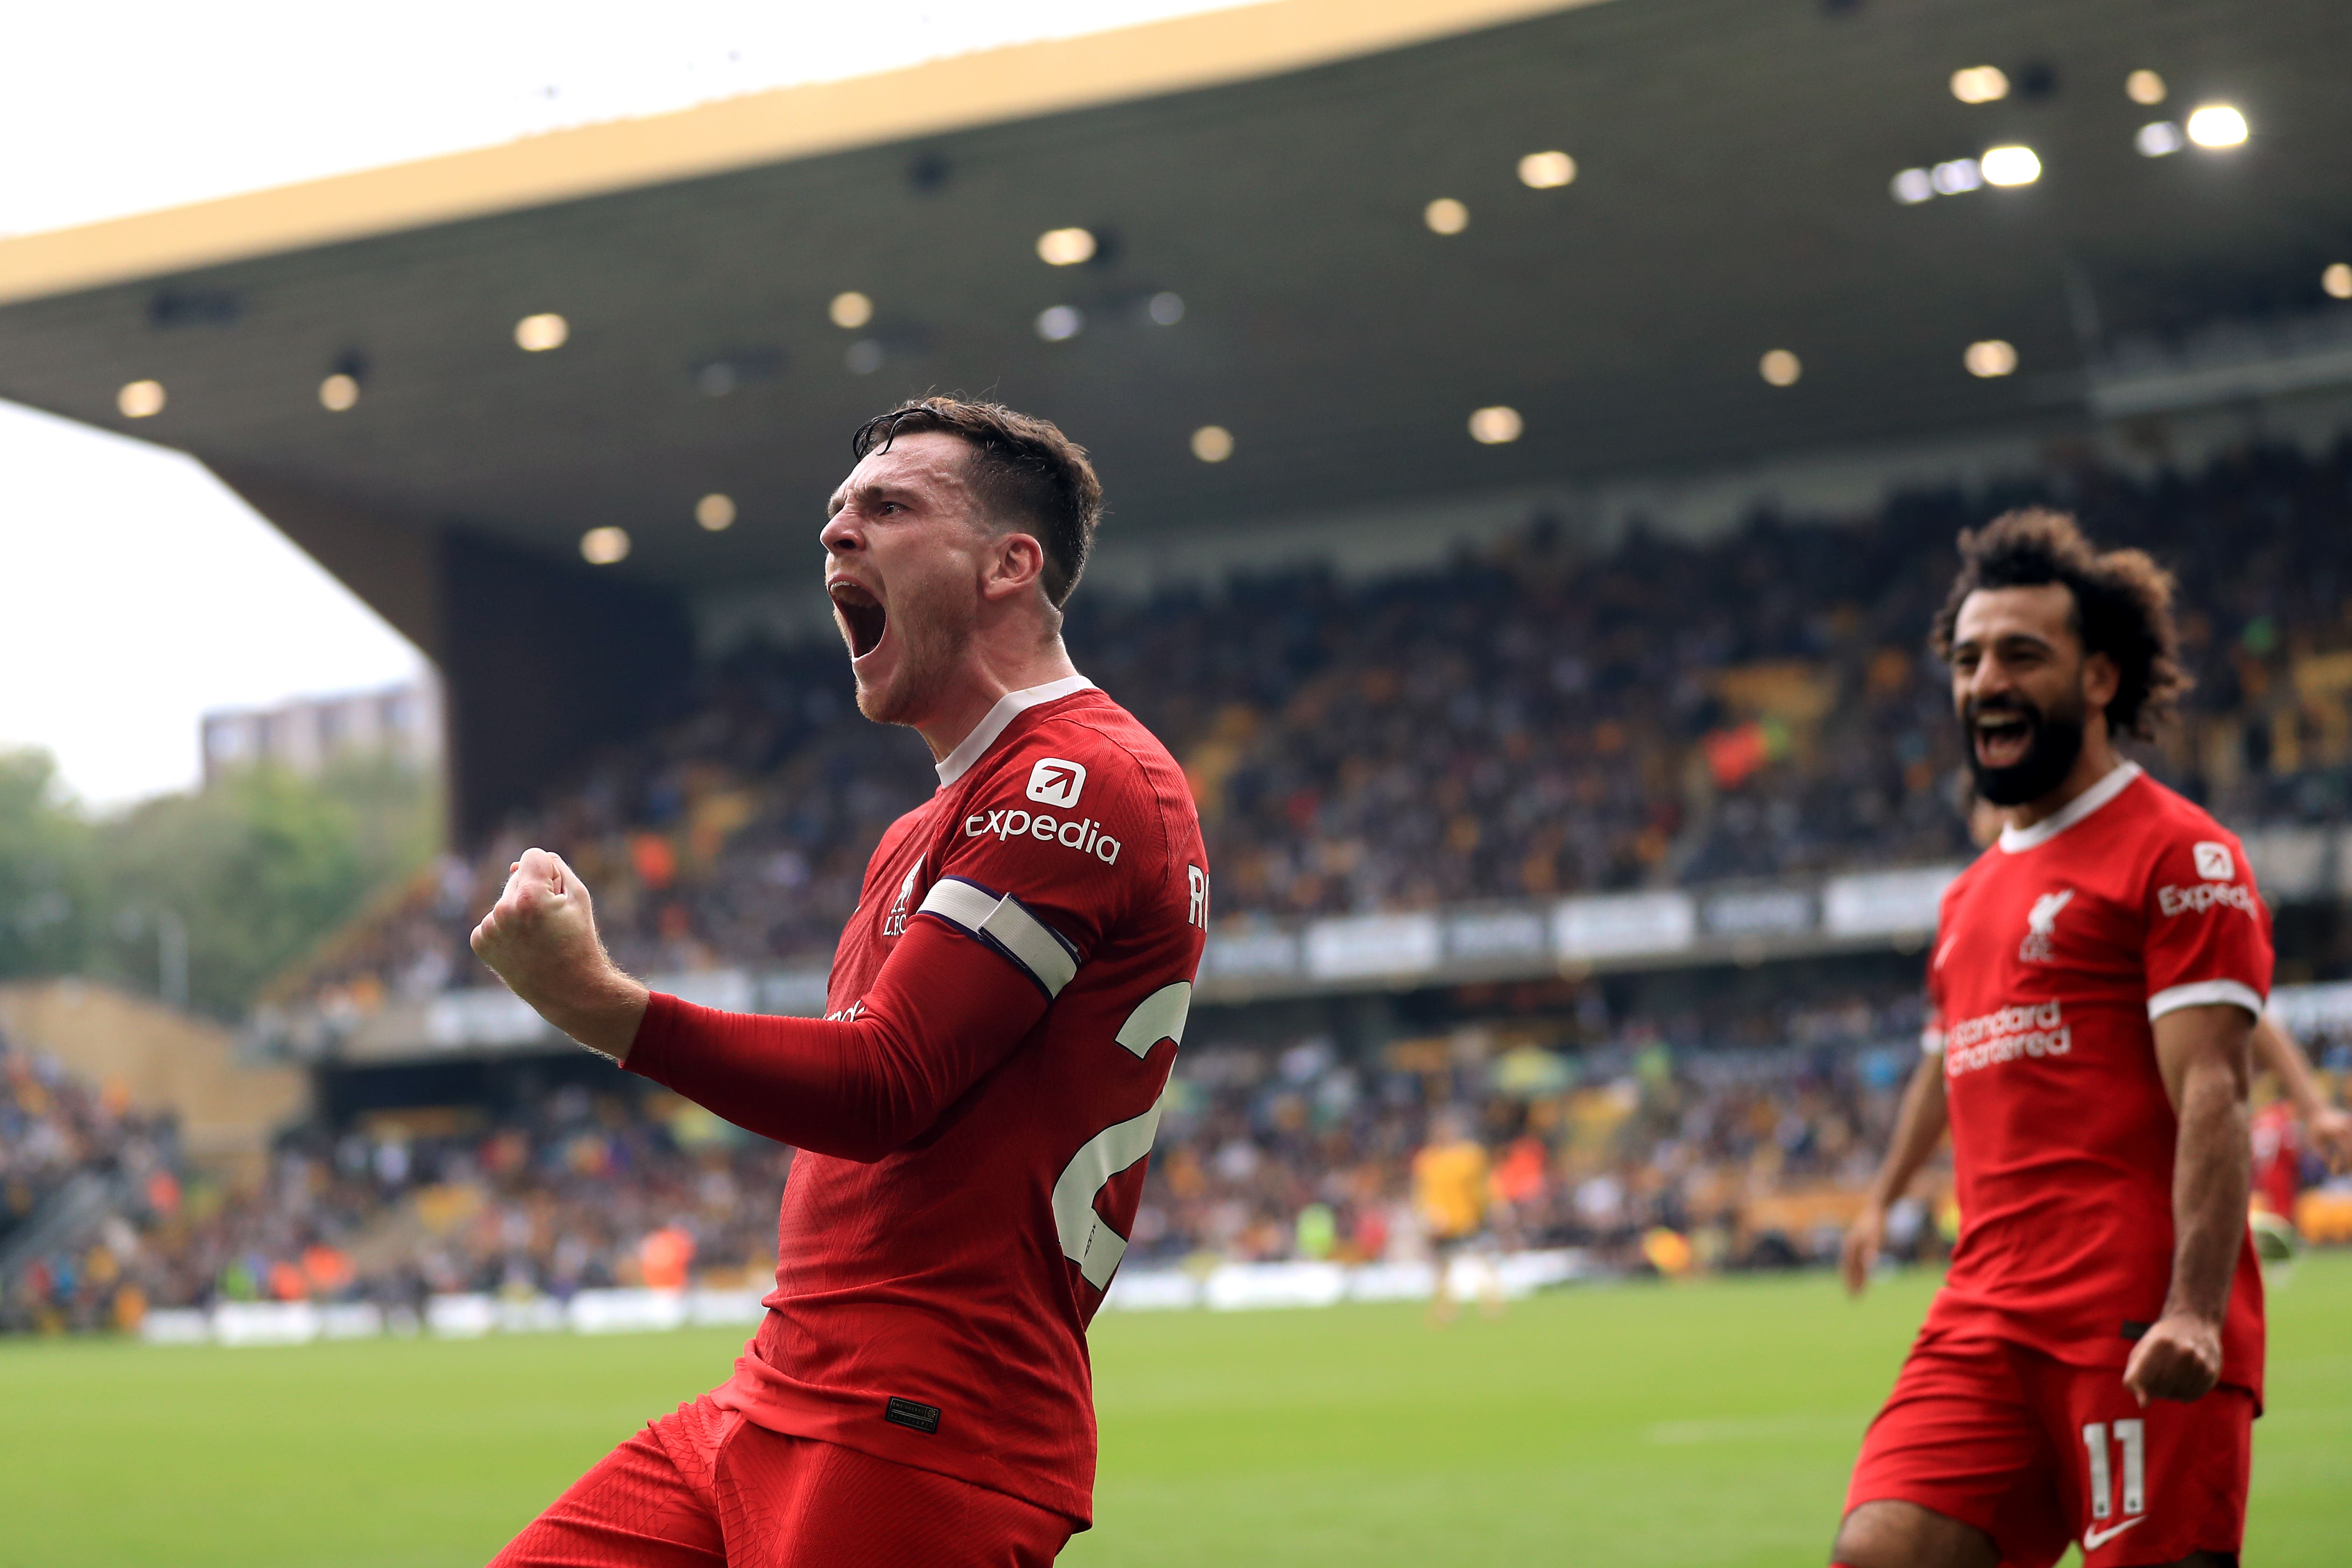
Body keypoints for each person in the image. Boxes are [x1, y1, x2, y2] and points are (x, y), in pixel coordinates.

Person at [470, 398, 1210, 1566]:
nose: (836, 532)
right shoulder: (921, 826)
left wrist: (604, 1007)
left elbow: (885, 1084)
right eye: (834, 512)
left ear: (1010, 564)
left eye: (888, 506)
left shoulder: (1081, 776)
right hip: (779, 1393)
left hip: (921, 1420)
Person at [1833, 511, 2271, 1568]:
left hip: (2130, 1320)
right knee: (1877, 1549)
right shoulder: (1966, 899)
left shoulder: (2178, 852)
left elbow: (2212, 1087)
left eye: (2022, 653)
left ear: (2098, 678)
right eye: (1968, 656)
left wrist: (2194, 1312)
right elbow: (1947, 1072)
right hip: (1980, 1315)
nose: (1987, 677)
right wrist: (1883, 1197)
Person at [1411, 1107, 1498, 1322]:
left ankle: (1492, 1305)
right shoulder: (1428, 1159)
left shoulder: (1470, 1156)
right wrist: (1425, 1217)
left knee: (1478, 1261)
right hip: (1441, 1224)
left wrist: (1487, 1210)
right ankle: (1446, 1310)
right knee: (1444, 1267)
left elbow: (1482, 1188)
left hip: (1468, 1219)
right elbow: (1422, 1193)